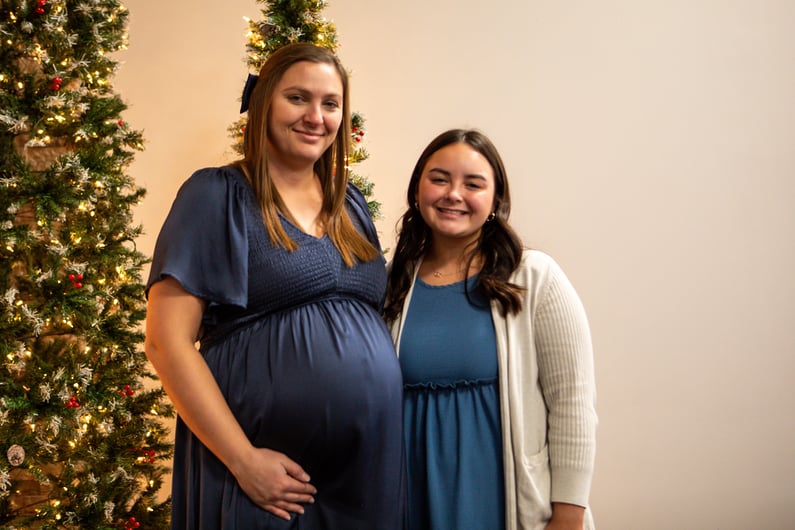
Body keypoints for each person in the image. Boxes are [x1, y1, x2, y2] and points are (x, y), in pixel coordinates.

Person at [144, 42, 405, 529]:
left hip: (364, 477)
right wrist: (243, 460)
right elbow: (165, 342)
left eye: (330, 104)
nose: (316, 117)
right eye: (298, 98)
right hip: (260, 478)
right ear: (263, 103)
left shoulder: (350, 203)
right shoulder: (216, 195)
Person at [384, 129, 598, 530]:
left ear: (496, 200)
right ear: (417, 190)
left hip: (502, 503)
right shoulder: (392, 282)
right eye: (439, 179)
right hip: (412, 498)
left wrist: (569, 515)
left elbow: (573, 404)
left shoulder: (535, 278)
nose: (454, 194)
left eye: (473, 184)